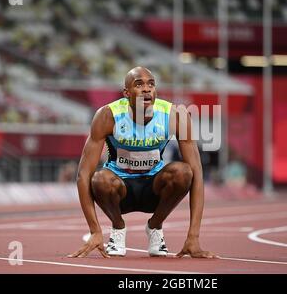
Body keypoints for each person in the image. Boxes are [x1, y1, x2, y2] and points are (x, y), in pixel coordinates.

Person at [69, 66, 217, 259]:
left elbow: (197, 173)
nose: (147, 89)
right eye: (139, 85)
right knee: (99, 179)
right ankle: (118, 229)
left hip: (154, 190)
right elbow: (83, 175)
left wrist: (193, 236)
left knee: (184, 172)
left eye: (151, 84)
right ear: (126, 93)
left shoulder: (175, 115)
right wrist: (95, 230)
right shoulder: (107, 115)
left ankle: (155, 227)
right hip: (118, 191)